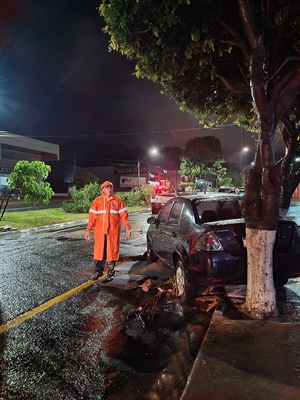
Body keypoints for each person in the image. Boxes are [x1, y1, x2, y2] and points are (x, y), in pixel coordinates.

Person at [85, 181, 131, 280]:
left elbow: (124, 216)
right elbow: (92, 218)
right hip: (100, 232)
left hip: (113, 232)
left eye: (110, 187)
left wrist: (127, 228)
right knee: (99, 251)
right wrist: (88, 230)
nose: (109, 189)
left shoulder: (118, 201)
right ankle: (98, 272)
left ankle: (110, 272)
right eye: (106, 188)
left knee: (112, 251)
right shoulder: (97, 201)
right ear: (102, 189)